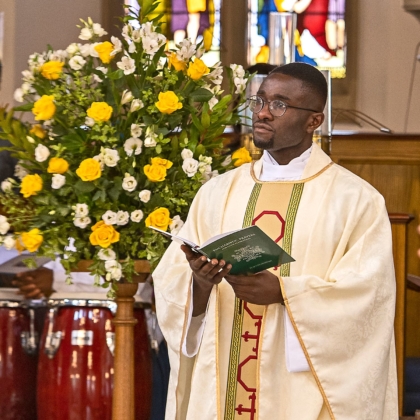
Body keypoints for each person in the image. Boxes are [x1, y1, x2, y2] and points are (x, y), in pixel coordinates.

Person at [153, 62, 398, 419]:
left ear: (314, 121)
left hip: (297, 394)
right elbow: (171, 282)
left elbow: (367, 298)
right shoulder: (218, 192)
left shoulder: (356, 201)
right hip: (222, 382)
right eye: (260, 101)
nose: (263, 114)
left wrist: (284, 294)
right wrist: (201, 284)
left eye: (280, 105)